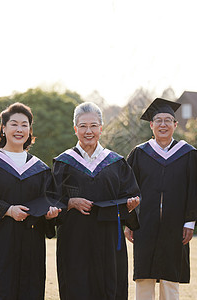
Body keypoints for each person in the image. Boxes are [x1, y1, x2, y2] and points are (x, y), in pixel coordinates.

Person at [0, 102, 61, 300]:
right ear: (3, 128)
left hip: (31, 245)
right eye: (14, 124)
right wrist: (8, 210)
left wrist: (50, 215)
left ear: (30, 130)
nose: (19, 129)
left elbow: (49, 200)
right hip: (0, 245)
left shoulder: (40, 169)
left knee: (31, 289)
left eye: (24, 125)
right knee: (0, 289)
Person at [53, 102, 141, 300]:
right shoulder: (63, 162)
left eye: (93, 125)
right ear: (75, 129)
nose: (88, 131)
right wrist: (70, 202)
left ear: (101, 128)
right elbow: (52, 199)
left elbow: (130, 194)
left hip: (108, 240)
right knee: (77, 286)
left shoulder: (116, 162)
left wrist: (131, 206)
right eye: (83, 126)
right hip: (74, 240)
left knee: (109, 285)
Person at [125, 98, 197, 300]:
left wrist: (189, 223)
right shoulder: (139, 153)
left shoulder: (188, 154)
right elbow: (128, 190)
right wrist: (129, 222)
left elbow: (194, 189)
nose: (163, 125)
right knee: (144, 276)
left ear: (175, 125)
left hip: (175, 225)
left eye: (168, 120)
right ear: (151, 125)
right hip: (144, 225)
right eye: (158, 120)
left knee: (170, 278)